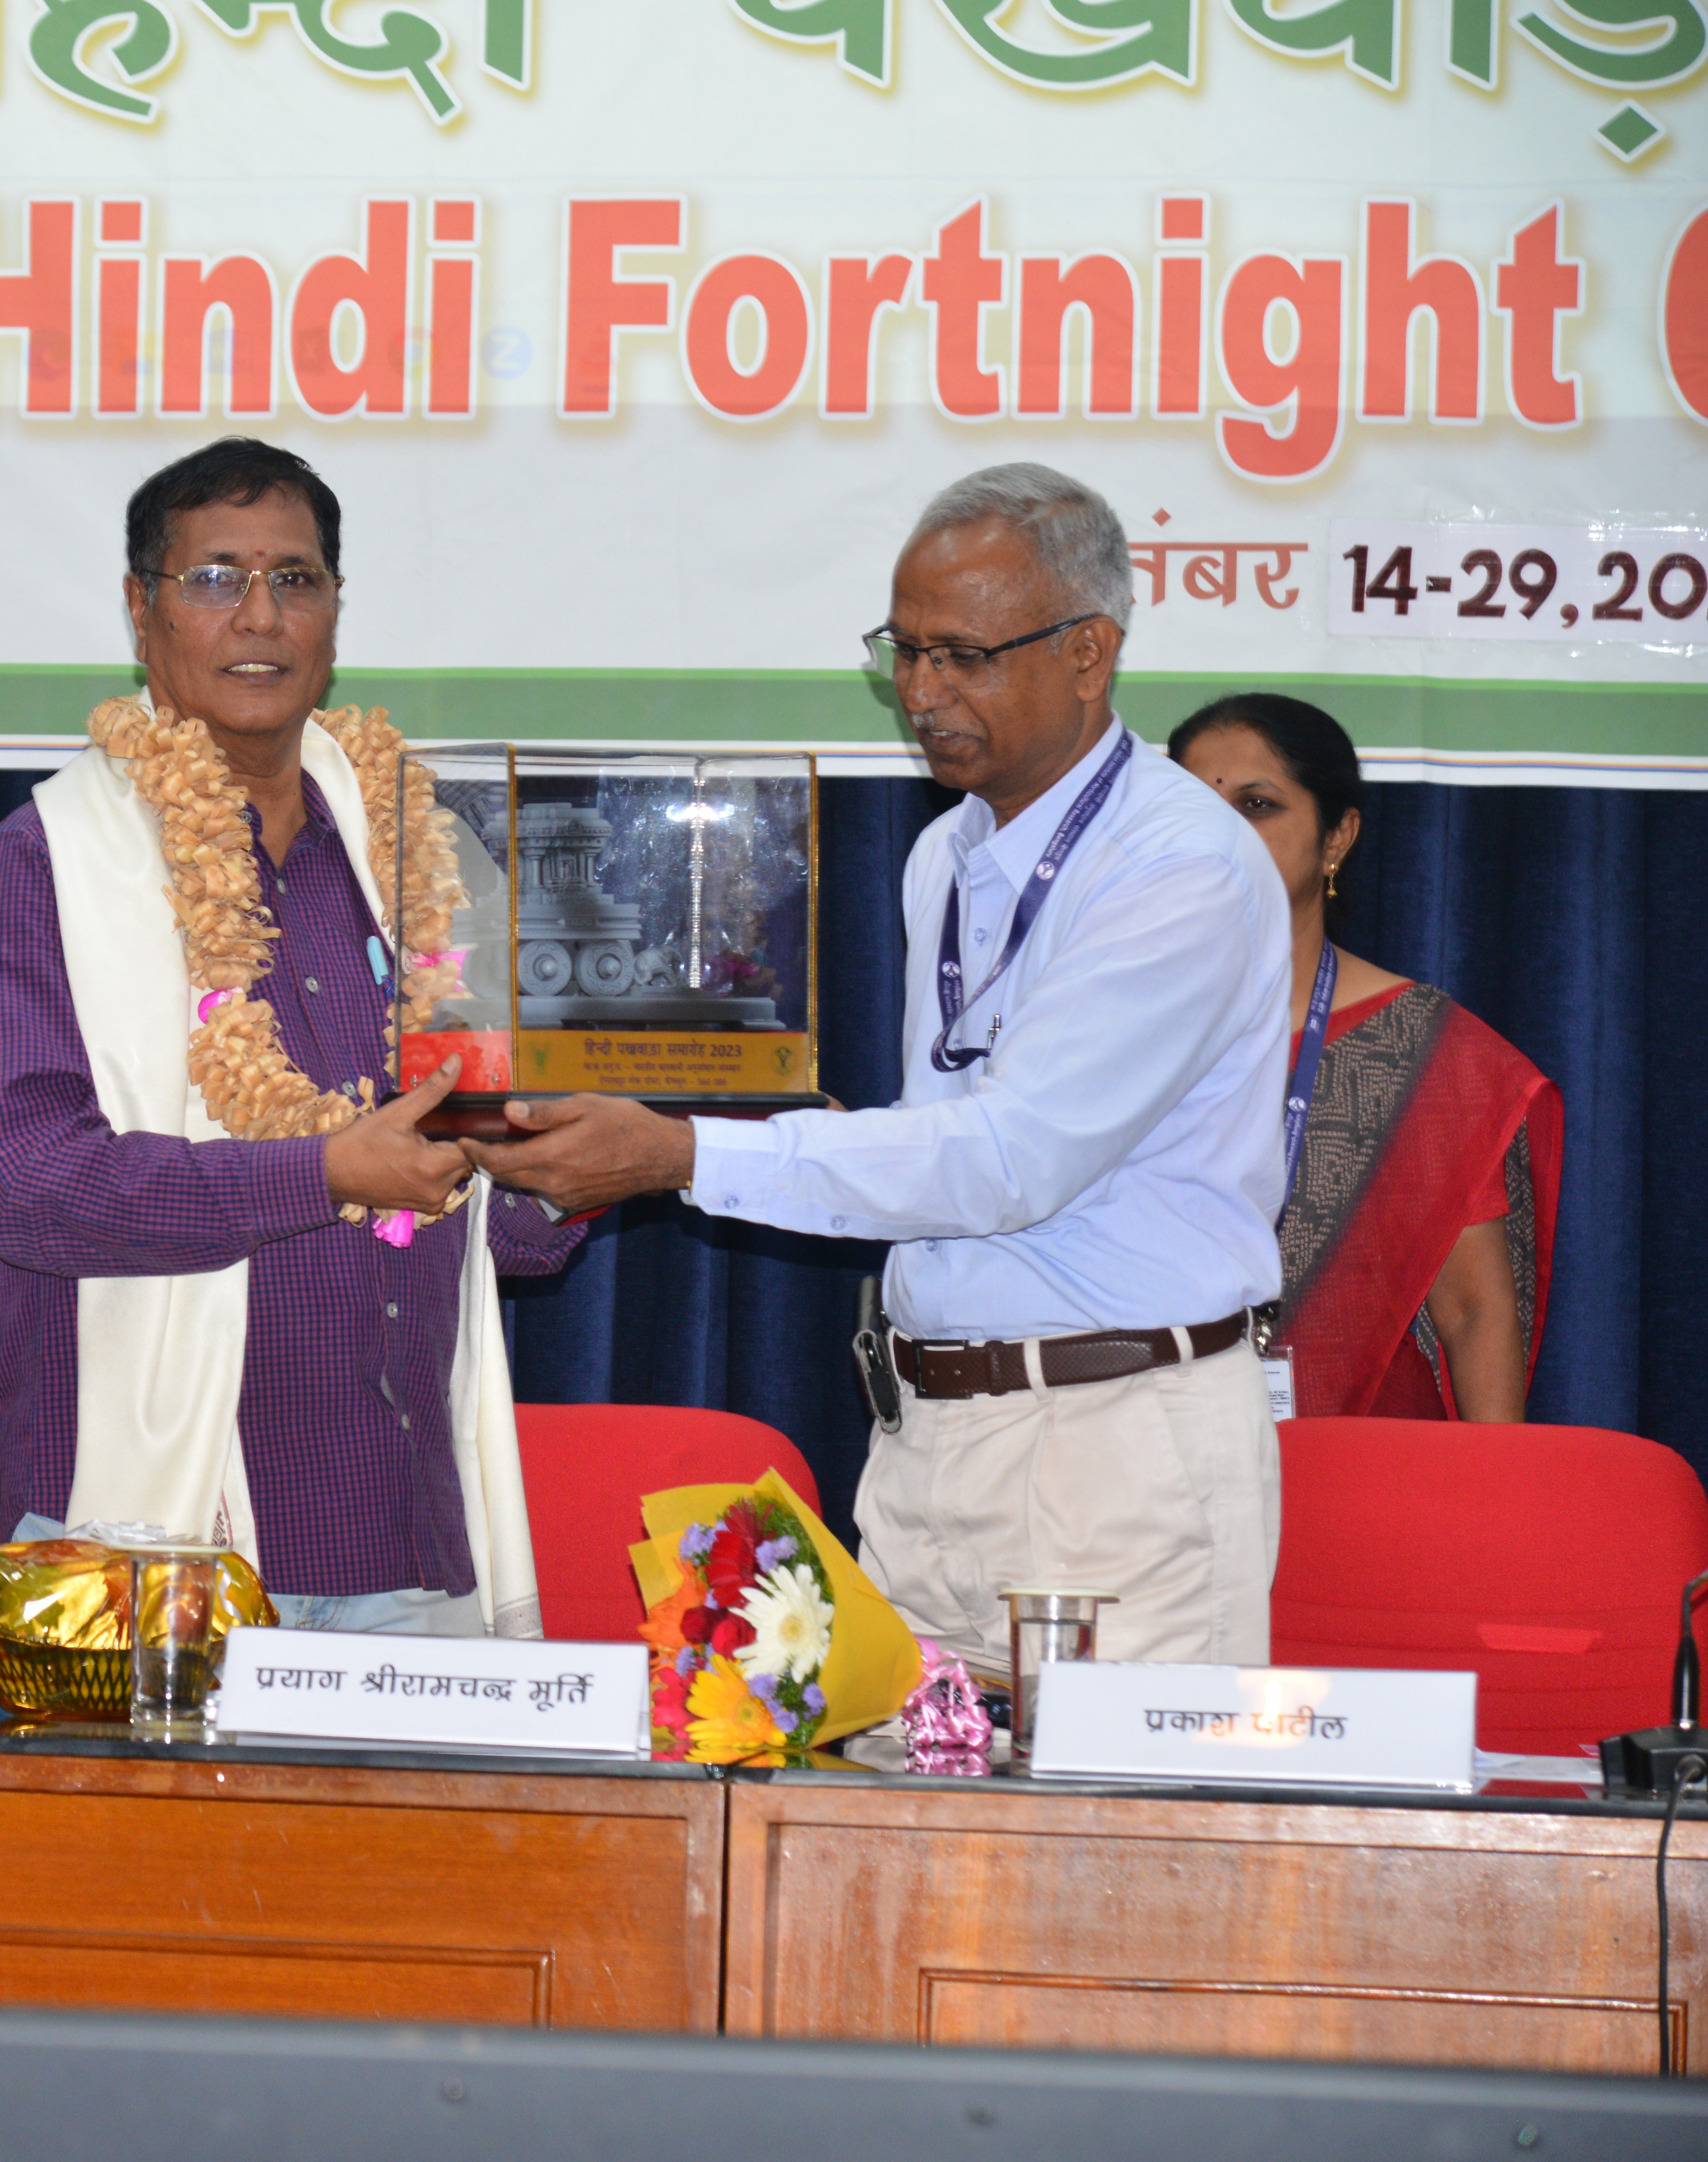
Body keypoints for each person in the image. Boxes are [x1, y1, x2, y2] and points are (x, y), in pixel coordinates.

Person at [464, 464, 1288, 1667]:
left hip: (1118, 1448)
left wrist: (681, 1153)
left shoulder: (1178, 865)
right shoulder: (945, 852)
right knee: (896, 1793)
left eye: (963, 655)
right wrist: (792, 1129)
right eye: (903, 650)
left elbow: (1010, 1161)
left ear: (1088, 652)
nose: (919, 691)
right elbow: (961, 1130)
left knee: (1104, 1800)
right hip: (926, 1441)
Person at [0, 437, 582, 1640]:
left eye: (295, 579)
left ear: (334, 611)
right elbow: (31, 1193)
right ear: (141, 610)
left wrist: (581, 1164)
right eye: (215, 578)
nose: (260, 616)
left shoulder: (423, 859)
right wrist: (326, 1172)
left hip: (404, 1539)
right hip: (141, 1552)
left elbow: (498, 1224)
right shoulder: (42, 870)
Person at [1169, 694, 1560, 1422]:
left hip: (1364, 1460)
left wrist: (1492, 1488)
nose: (1219, 834)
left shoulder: (1429, 1056)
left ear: (1338, 837)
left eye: (1257, 805)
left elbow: (1474, 1314)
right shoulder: (1113, 1033)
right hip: (1144, 1451)